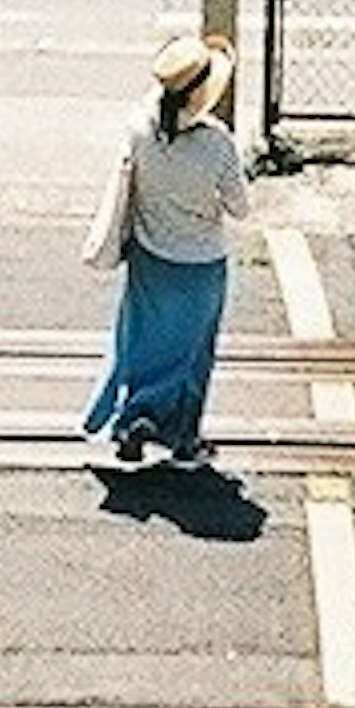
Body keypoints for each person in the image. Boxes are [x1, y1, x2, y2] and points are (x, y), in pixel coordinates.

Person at [81, 35, 251, 470]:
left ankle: (134, 416)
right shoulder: (217, 144)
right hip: (201, 264)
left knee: (140, 341)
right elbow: (240, 207)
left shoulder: (139, 129)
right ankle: (183, 438)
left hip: (150, 256)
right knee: (194, 351)